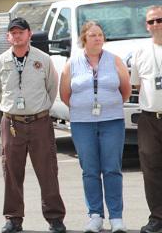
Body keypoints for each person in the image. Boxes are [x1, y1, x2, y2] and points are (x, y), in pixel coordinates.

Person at [0, 17, 66, 233]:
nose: (17, 36)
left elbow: (52, 89)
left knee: (48, 170)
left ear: (29, 34)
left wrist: (38, 109)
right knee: (12, 172)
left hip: (40, 121)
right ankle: (14, 219)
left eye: (21, 32)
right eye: (13, 32)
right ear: (8, 37)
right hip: (12, 123)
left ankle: (55, 218)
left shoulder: (43, 60)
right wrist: (13, 109)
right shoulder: (0, 63)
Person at [59, 21, 130, 233]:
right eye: (92, 35)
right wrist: (83, 107)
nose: (98, 38)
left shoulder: (115, 60)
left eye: (100, 35)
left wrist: (108, 104)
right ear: (84, 39)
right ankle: (95, 216)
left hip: (112, 122)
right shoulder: (72, 64)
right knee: (90, 170)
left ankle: (116, 217)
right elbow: (65, 95)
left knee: (112, 169)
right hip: (82, 124)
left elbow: (125, 91)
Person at [130, 5, 162, 233]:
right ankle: (157, 217)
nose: (156, 25)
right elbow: (136, 85)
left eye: (159, 20)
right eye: (151, 21)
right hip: (150, 119)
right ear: (146, 26)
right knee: (151, 171)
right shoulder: (140, 51)